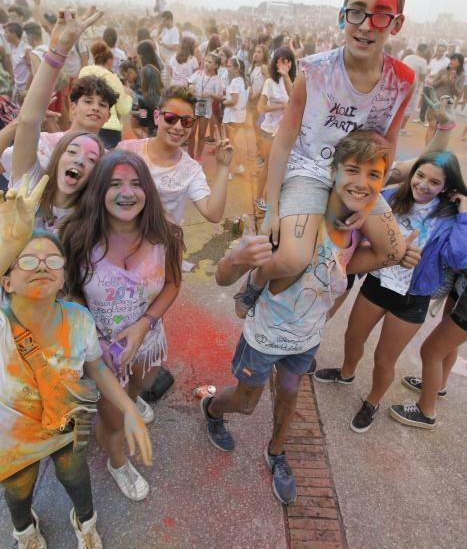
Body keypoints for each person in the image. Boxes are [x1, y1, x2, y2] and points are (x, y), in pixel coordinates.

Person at [202, 130, 395, 505]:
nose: (362, 182)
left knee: (289, 396)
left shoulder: (354, 241)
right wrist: (238, 259)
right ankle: (211, 408)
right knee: (246, 402)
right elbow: (223, 277)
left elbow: (387, 252)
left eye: (374, 175)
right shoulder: (291, 226)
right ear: (332, 173)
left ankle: (276, 452)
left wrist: (378, 216)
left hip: (305, 341)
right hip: (263, 340)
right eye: (352, 170)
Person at [234, 0, 413, 317]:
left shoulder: (402, 80)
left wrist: (366, 203)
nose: (365, 26)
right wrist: (271, 210)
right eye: (357, 13)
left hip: (357, 177)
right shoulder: (314, 70)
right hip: (310, 168)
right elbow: (283, 142)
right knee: (290, 257)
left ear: (397, 23)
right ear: (342, 15)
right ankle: (257, 281)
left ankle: (327, 269)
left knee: (394, 250)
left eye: (380, 15)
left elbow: (388, 146)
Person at [0, 179, 151, 548]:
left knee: (76, 476)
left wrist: (128, 408)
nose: (42, 266)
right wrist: (6, 243)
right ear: (6, 281)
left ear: (64, 275)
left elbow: (97, 368)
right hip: (13, 439)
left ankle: (85, 521)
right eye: (28, 260)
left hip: (68, 422)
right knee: (18, 490)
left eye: (53, 260)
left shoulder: (78, 318)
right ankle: (25, 530)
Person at [314, 150, 467, 432]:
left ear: (445, 186)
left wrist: (464, 214)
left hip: (412, 298)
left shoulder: (449, 217)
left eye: (434, 182)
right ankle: (346, 374)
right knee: (353, 337)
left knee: (384, 359)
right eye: (420, 175)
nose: (423, 185)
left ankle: (372, 402)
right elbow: (358, 217)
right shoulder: (392, 196)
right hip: (377, 283)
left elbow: (460, 258)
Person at [61, 151, 182, 502]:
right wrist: (94, 344)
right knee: (113, 422)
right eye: (114, 184)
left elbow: (173, 284)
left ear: (148, 190)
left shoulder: (166, 233)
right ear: (99, 191)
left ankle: (132, 400)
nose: (126, 193)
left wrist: (145, 324)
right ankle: (117, 462)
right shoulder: (76, 236)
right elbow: (68, 296)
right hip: (101, 358)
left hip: (148, 344)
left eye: (135, 183)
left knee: (136, 392)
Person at [10, 7, 107, 233]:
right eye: (71, 152)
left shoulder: (94, 214)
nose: (80, 161)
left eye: (92, 159)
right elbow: (28, 121)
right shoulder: (31, 184)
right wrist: (60, 49)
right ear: (56, 156)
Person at [117, 86, 233, 225]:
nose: (178, 127)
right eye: (170, 118)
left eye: (186, 121)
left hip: (163, 243)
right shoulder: (127, 150)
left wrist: (223, 167)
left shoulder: (190, 169)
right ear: (156, 117)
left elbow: (213, 214)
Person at [1, 74, 117, 181]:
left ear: (108, 116)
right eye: (88, 101)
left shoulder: (107, 161)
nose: (95, 108)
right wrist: (21, 121)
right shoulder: (43, 143)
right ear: (73, 107)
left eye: (102, 105)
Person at [390, 278, 467, 429]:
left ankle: (425, 412)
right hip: (461, 285)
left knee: (431, 352)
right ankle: (438, 386)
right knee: (449, 337)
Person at [255, 47, 295, 211]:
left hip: (286, 133)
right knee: (269, 167)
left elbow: (294, 99)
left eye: (287, 61)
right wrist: (280, 106)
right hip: (269, 131)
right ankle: (259, 198)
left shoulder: (294, 81)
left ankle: (275, 198)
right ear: (275, 62)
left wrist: (286, 76)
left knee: (282, 168)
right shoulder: (269, 82)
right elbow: (260, 108)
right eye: (280, 60)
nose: (284, 64)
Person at [79, 41, 133, 148]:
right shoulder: (112, 79)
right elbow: (123, 109)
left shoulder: (83, 72)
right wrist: (128, 96)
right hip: (108, 127)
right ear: (109, 61)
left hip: (84, 122)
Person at [188, 52, 222, 160]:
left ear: (216, 65)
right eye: (206, 61)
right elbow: (189, 83)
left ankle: (198, 157)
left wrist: (211, 94)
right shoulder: (198, 73)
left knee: (202, 134)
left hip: (205, 108)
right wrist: (191, 87)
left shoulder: (217, 79)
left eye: (210, 62)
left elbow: (220, 96)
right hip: (194, 105)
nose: (206, 63)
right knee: (191, 133)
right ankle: (190, 156)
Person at [222, 56, 249, 176]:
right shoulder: (244, 81)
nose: (228, 69)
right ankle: (239, 166)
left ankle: (231, 170)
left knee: (229, 143)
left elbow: (233, 101)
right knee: (231, 142)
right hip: (239, 116)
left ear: (237, 68)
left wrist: (224, 101)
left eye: (229, 66)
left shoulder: (235, 81)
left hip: (232, 116)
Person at [400, 43, 428, 134]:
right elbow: (423, 77)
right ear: (425, 51)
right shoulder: (423, 61)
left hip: (401, 84)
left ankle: (392, 126)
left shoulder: (408, 57)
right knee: (408, 108)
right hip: (413, 86)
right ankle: (401, 128)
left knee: (398, 105)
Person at [4, 22, 32, 102]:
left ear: (14, 34)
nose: (5, 35)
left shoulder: (26, 48)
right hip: (17, 87)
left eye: (7, 32)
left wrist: (26, 89)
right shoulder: (12, 47)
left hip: (25, 88)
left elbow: (32, 71)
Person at [132, 64, 162, 138]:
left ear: (144, 81)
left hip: (151, 133)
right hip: (164, 132)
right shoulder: (165, 96)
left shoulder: (143, 100)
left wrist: (137, 115)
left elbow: (143, 121)